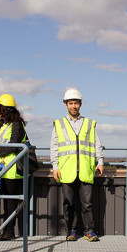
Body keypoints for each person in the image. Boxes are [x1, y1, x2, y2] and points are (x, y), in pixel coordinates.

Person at [50, 88, 104, 242]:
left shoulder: (89, 123)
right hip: (66, 170)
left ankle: (89, 231)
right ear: (66, 105)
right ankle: (71, 231)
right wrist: (55, 166)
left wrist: (100, 161)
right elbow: (54, 147)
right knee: (69, 204)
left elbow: (96, 144)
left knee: (87, 204)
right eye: (70, 103)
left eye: (76, 103)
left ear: (80, 104)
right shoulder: (58, 124)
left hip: (86, 169)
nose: (73, 106)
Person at [0, 94, 28, 240]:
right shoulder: (0, 126)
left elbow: (13, 145)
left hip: (11, 170)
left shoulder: (17, 126)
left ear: (5, 110)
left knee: (10, 202)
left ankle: (9, 232)